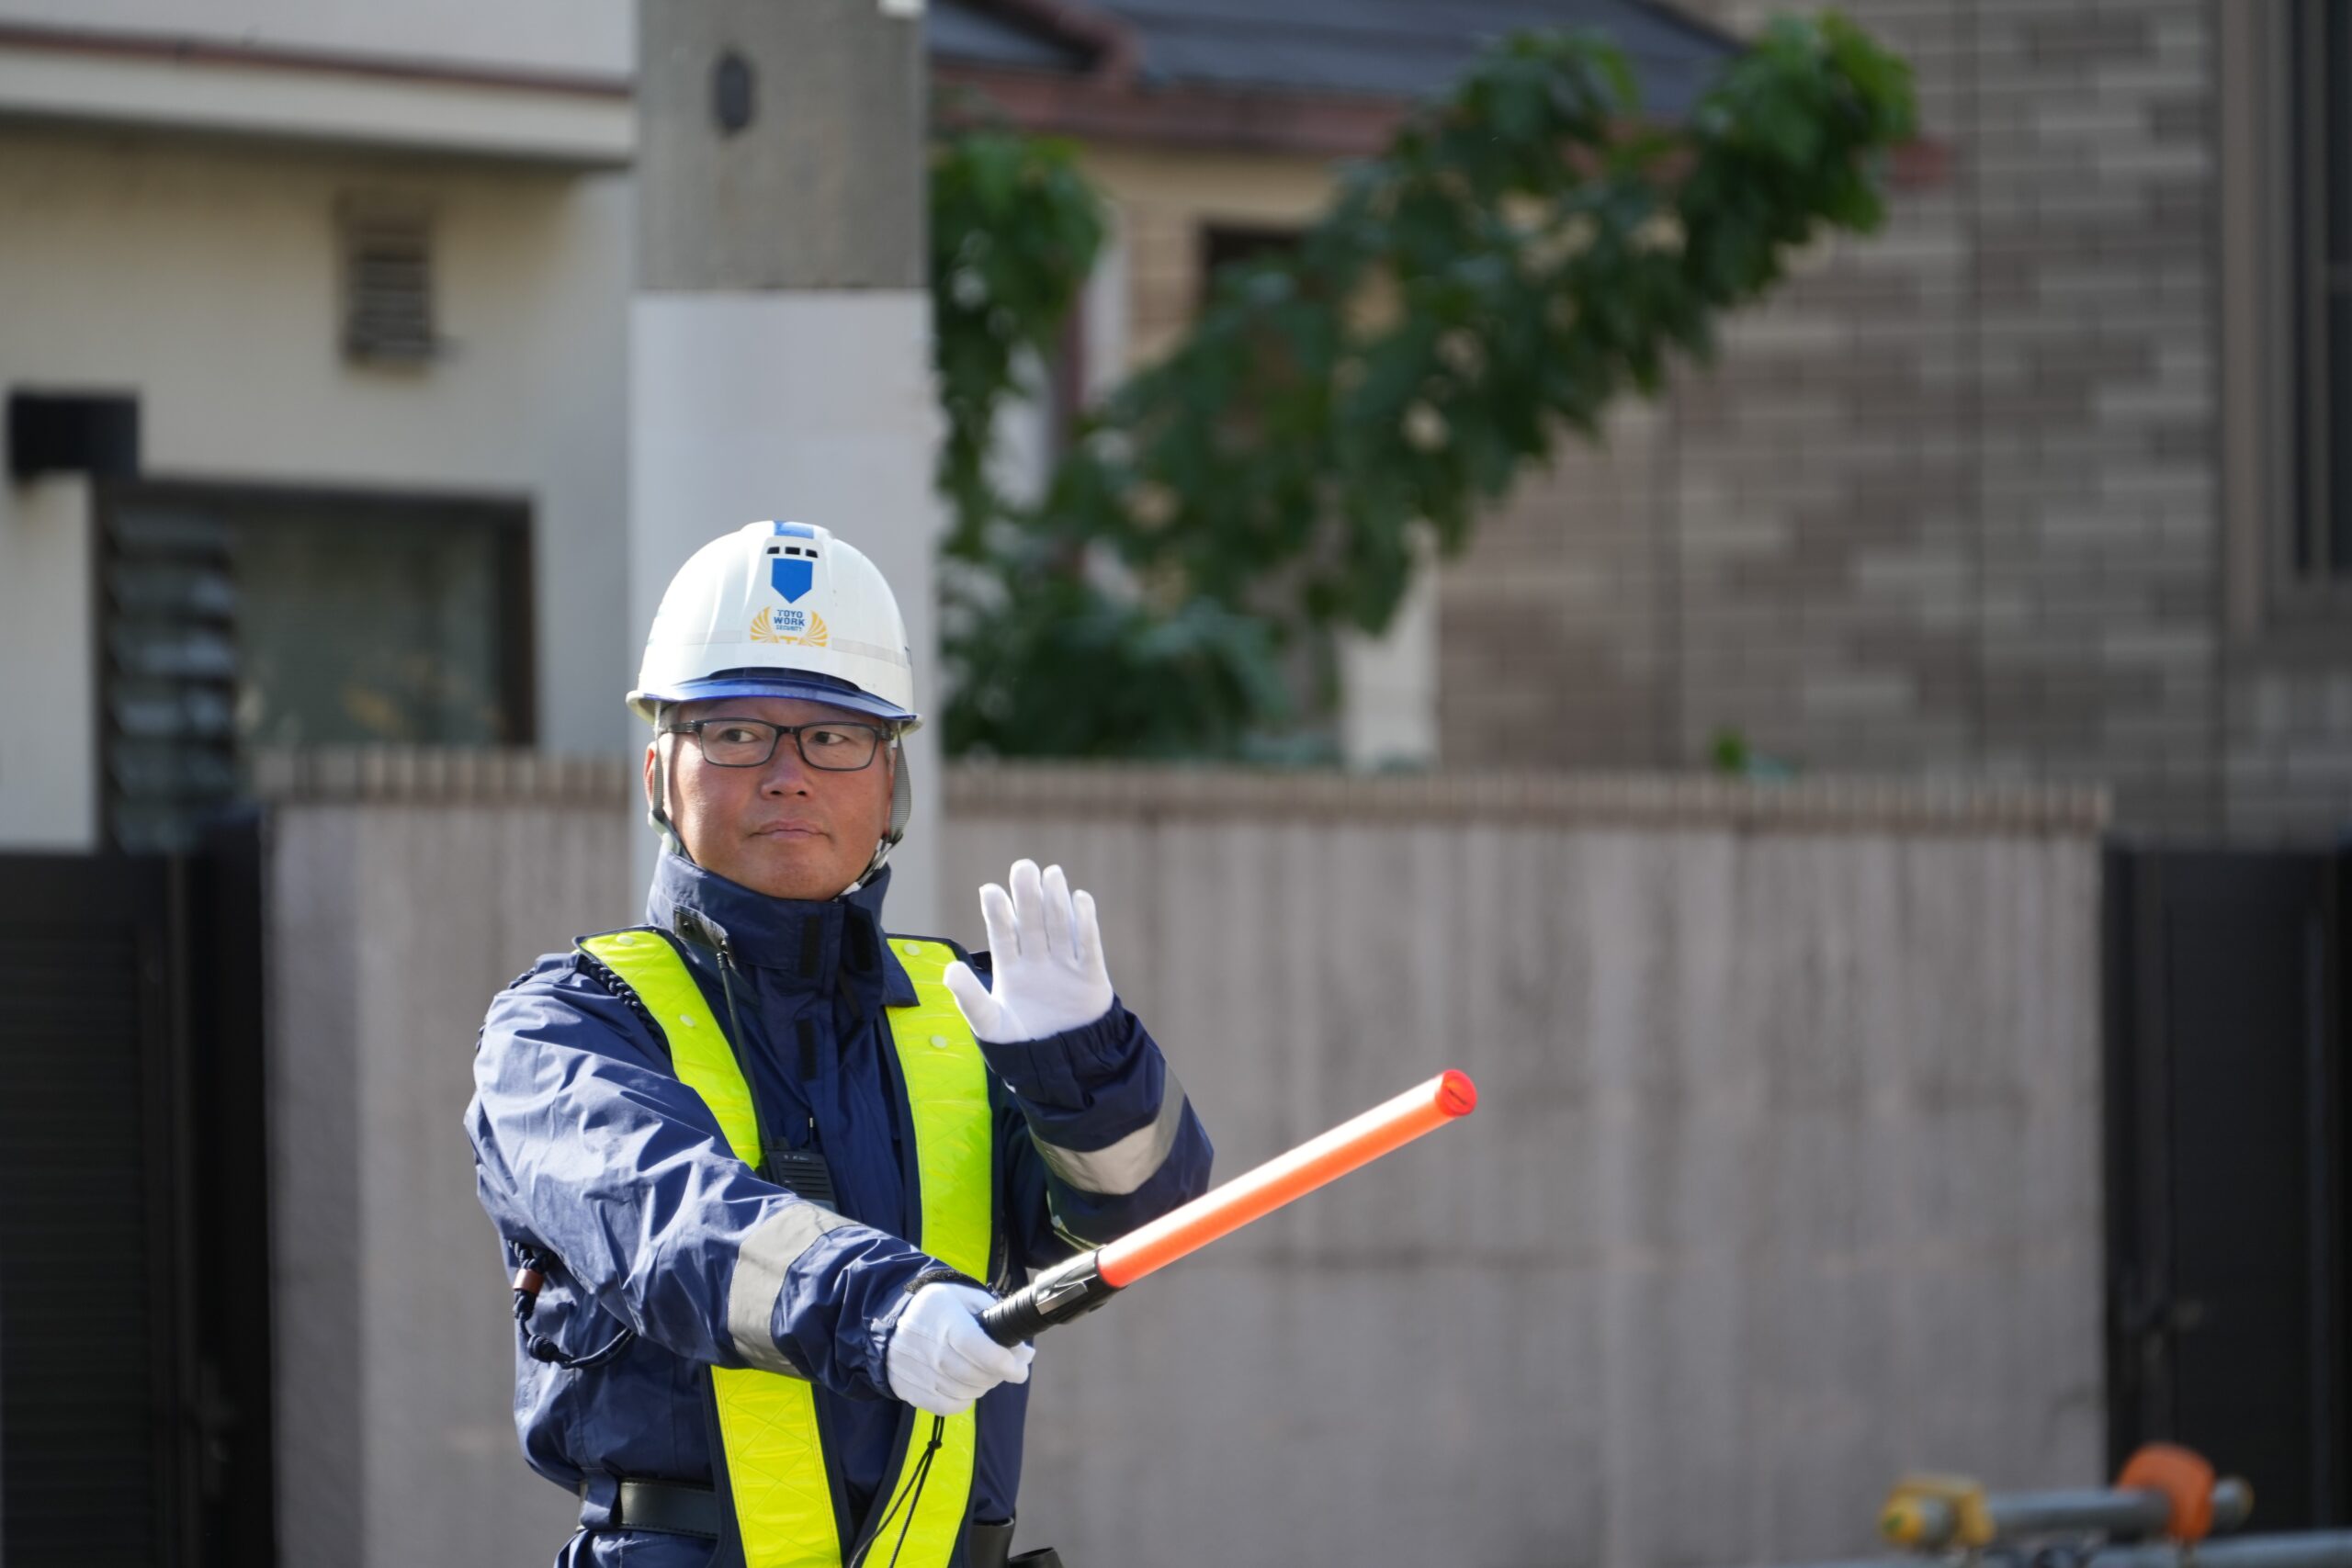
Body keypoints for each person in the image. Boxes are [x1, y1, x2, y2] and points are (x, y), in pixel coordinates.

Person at [467, 521, 1212, 1568]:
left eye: (834, 736)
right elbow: (666, 1220)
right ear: (657, 773)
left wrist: (1084, 1069)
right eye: (735, 733)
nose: (788, 773)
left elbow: (1142, 1223)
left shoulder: (976, 1012)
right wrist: (883, 1306)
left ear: (889, 781)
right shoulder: (568, 1025)